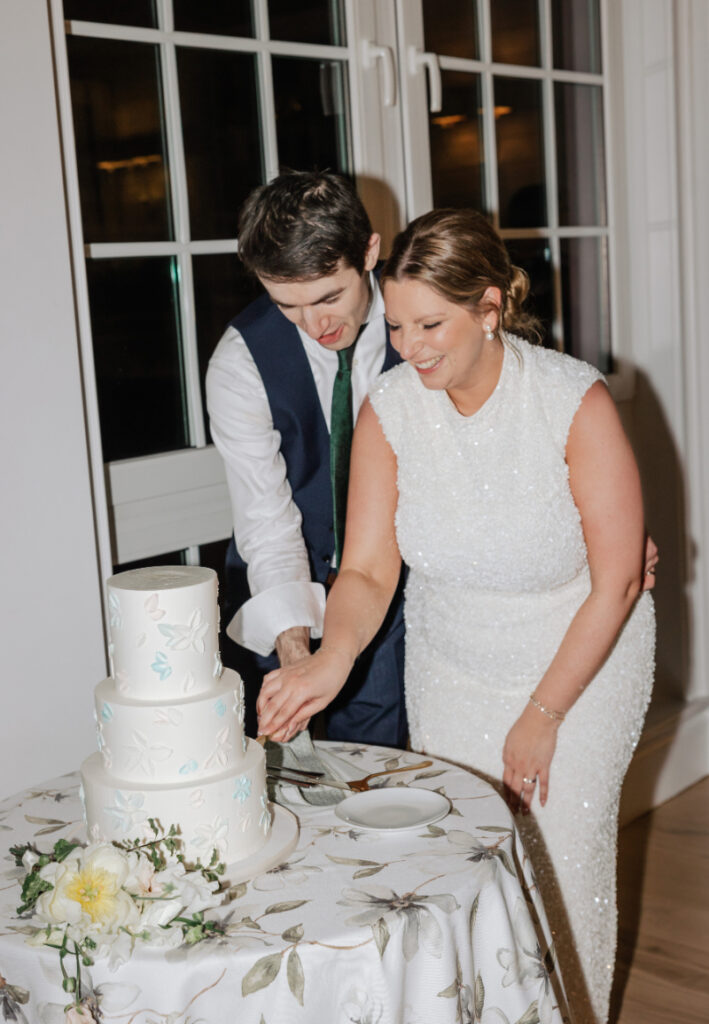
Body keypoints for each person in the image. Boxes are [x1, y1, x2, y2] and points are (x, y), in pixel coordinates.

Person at [257, 209, 656, 1024]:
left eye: (431, 323)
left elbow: (616, 582)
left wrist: (543, 714)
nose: (410, 347)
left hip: (579, 657)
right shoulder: (389, 409)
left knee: (559, 872)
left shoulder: (571, 401)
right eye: (397, 325)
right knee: (466, 877)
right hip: (453, 664)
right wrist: (331, 658)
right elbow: (368, 569)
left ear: (488, 306)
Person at [206, 170, 407, 746]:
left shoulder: (421, 322)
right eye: (287, 305)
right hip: (281, 588)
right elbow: (267, 524)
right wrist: (295, 653)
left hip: (394, 589)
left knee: (379, 768)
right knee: (291, 776)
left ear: (369, 252)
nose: (315, 326)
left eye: (328, 297)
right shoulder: (240, 363)